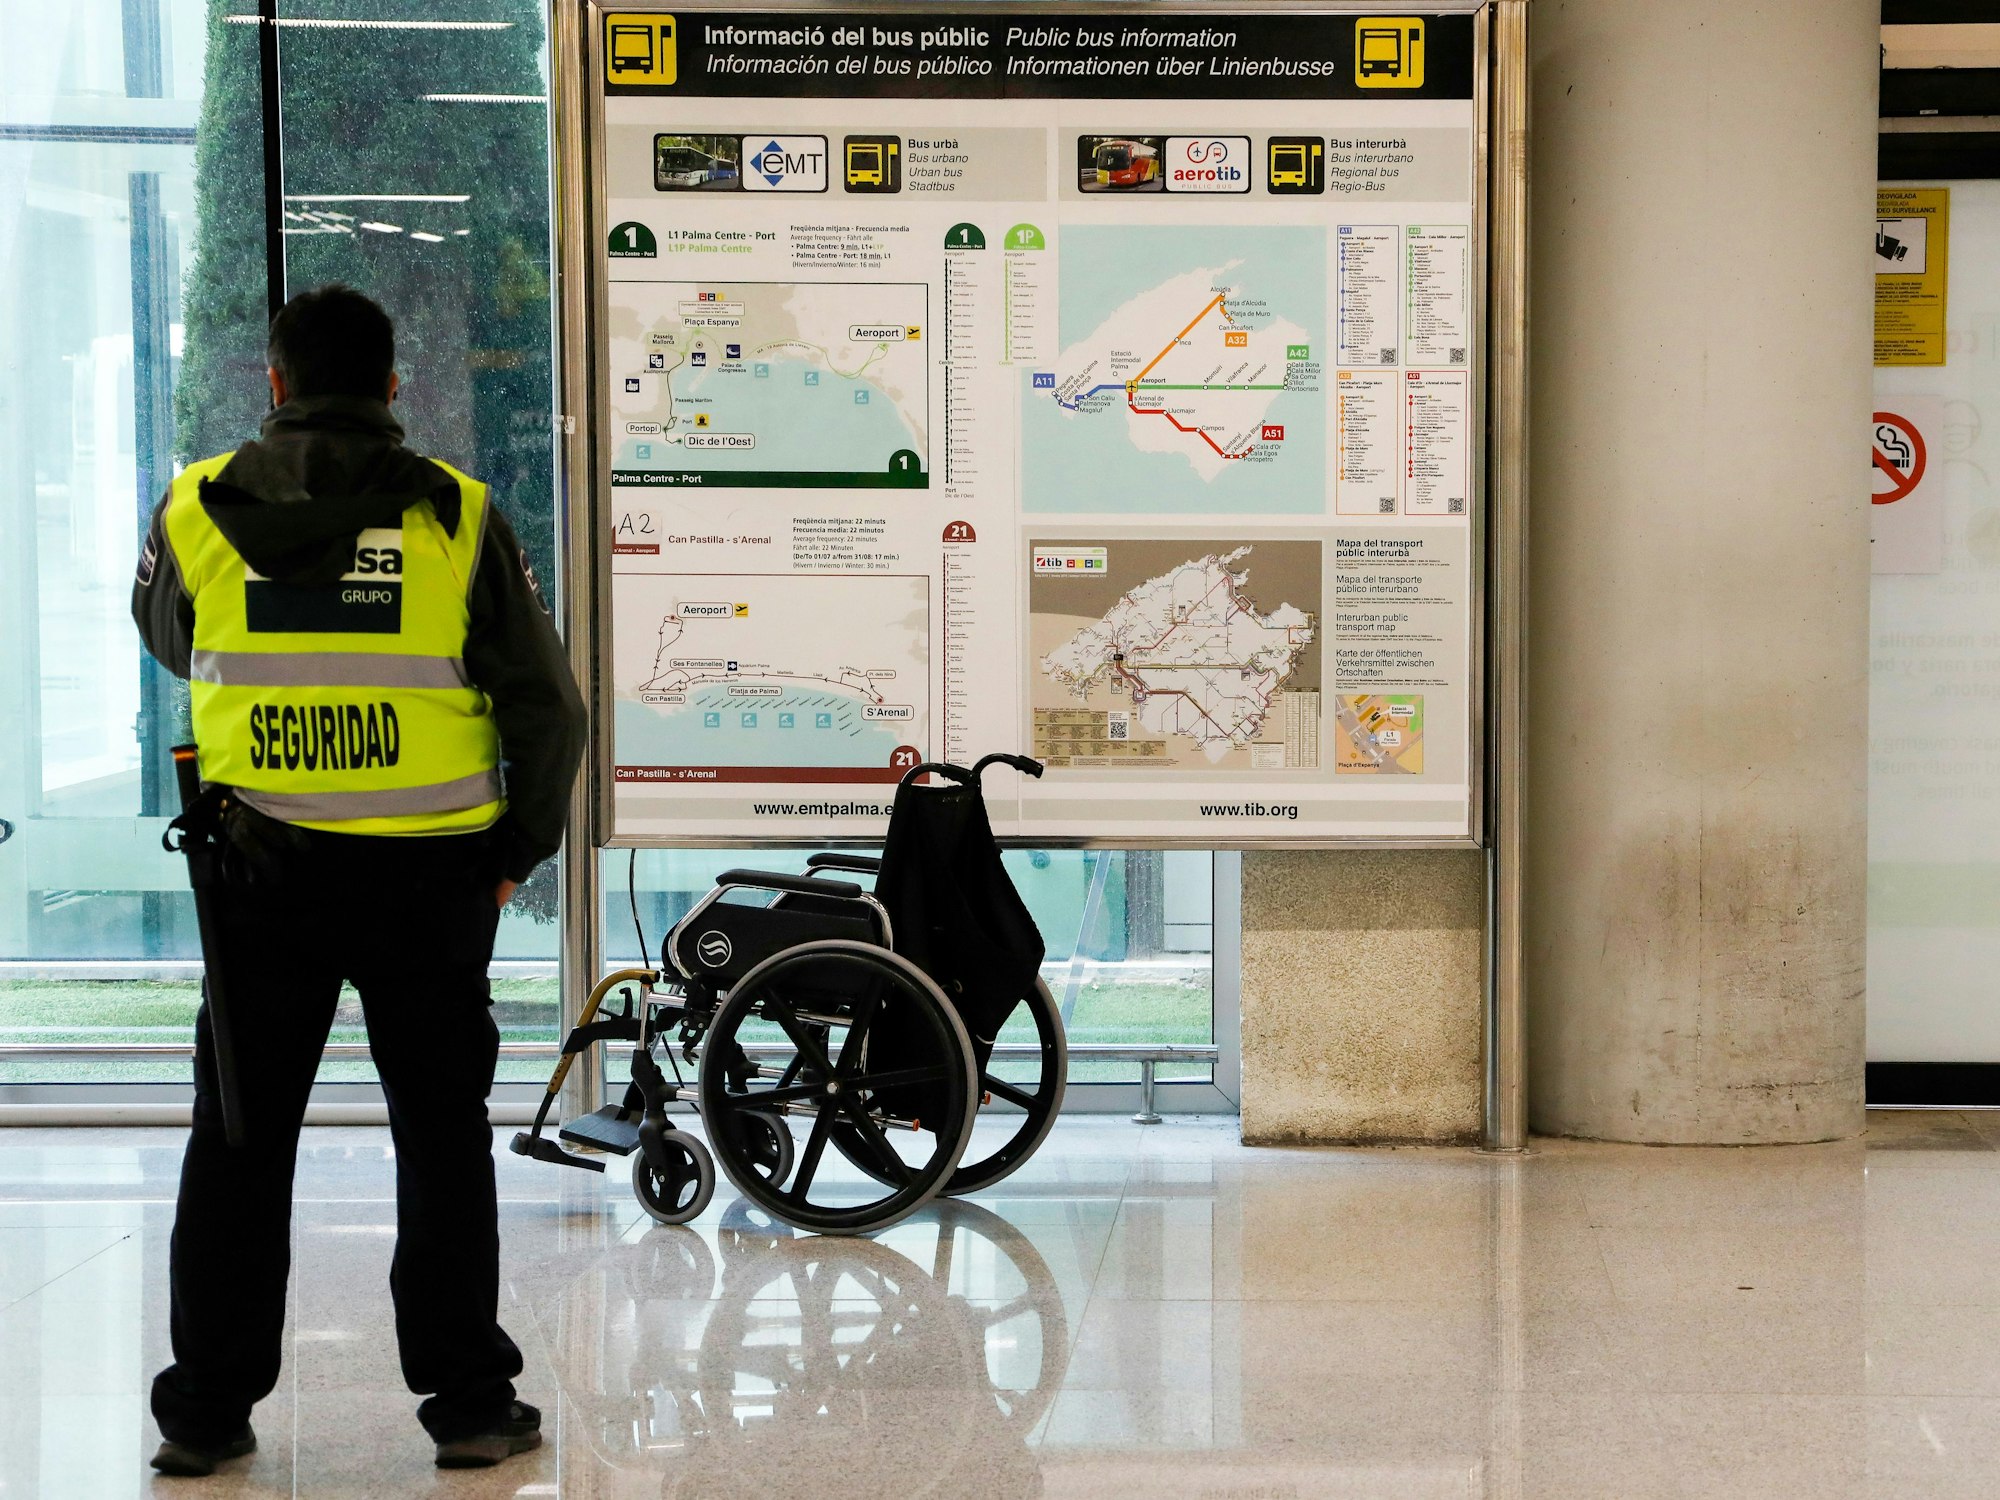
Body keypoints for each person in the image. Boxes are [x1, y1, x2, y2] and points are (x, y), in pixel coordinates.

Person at [132, 285, 587, 1475]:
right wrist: (512, 857)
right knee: (439, 1137)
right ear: (394, 388)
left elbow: (176, 642)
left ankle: (205, 1411)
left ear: (274, 384)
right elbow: (548, 706)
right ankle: (471, 1408)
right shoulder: (453, 513)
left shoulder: (194, 508)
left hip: (257, 875)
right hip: (429, 884)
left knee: (237, 1138)